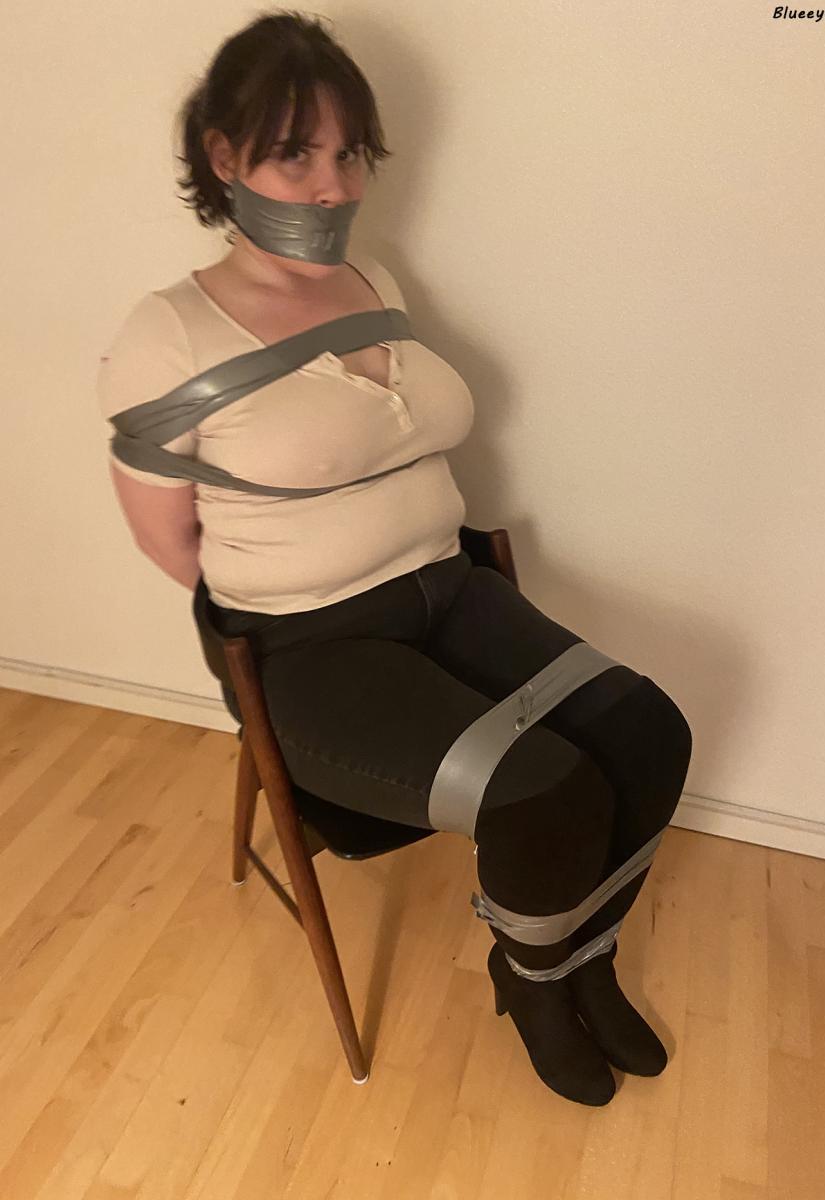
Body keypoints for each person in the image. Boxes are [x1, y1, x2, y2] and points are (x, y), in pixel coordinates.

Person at [97, 9, 692, 1108]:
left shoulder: (374, 282)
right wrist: (312, 579)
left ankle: (579, 961)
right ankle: (534, 983)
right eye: (296, 154)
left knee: (649, 731)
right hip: (311, 644)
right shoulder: (169, 332)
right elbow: (169, 541)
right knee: (541, 789)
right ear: (223, 157)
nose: (333, 187)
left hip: (449, 590)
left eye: (349, 154)